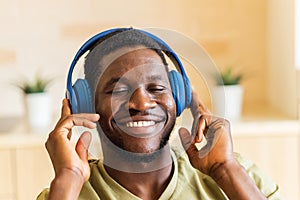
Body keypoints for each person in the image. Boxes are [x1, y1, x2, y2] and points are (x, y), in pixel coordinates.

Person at [37, 28, 281, 200]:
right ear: (87, 105)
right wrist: (68, 179)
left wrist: (225, 170)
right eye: (119, 89)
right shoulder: (66, 191)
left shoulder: (238, 174)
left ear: (178, 97)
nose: (142, 103)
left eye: (156, 88)